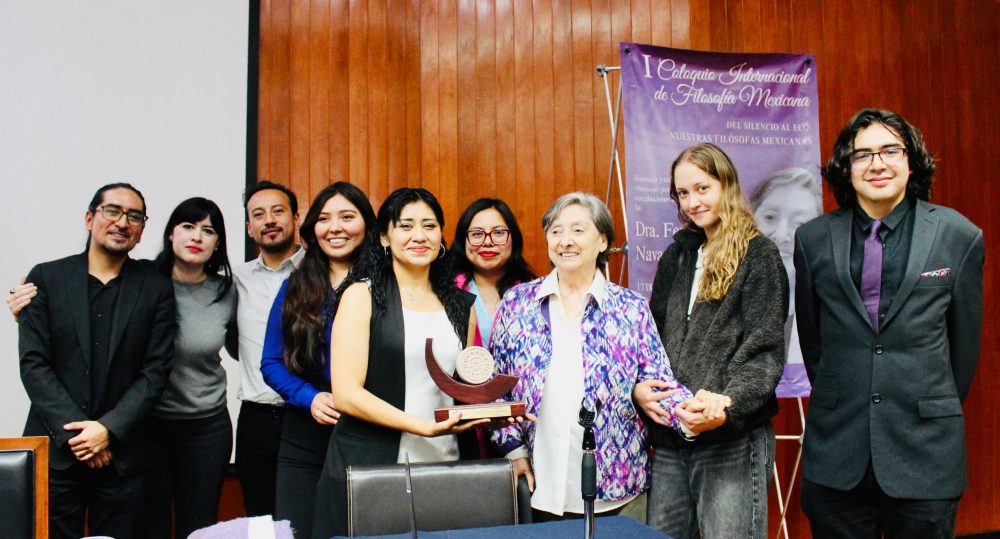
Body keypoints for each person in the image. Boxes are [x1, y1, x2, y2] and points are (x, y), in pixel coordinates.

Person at [795, 109, 984, 537]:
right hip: (837, 455)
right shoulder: (813, 240)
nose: (876, 164)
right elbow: (813, 342)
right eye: (862, 155)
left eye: (890, 151)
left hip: (925, 455)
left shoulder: (958, 236)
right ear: (847, 168)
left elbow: (963, 350)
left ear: (910, 161)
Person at [489, 192, 712, 521]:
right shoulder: (517, 303)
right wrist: (513, 450)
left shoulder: (630, 308)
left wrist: (689, 414)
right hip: (539, 483)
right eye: (556, 231)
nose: (565, 240)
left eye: (578, 230)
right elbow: (496, 387)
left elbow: (659, 383)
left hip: (616, 489)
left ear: (603, 241)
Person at [312, 187, 491, 538]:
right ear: (384, 237)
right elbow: (346, 393)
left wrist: (495, 411)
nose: (419, 236)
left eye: (429, 225)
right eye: (406, 225)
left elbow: (462, 388)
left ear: (441, 236)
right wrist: (420, 426)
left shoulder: (461, 306)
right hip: (372, 466)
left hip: (446, 461)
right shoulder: (361, 295)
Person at [641, 144, 788, 539]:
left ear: (726, 185)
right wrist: (644, 391)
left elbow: (765, 351)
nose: (692, 202)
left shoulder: (759, 256)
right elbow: (651, 341)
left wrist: (726, 404)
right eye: (683, 193)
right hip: (673, 440)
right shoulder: (676, 257)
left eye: (702, 188)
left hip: (731, 441)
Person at [18, 183, 176, 539]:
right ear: (90, 218)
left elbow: (155, 372)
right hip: (56, 453)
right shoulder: (47, 278)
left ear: (141, 230)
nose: (122, 222)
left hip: (123, 455)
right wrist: (80, 435)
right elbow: (34, 364)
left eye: (134, 217)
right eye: (112, 211)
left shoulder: (156, 288)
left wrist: (107, 430)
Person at [260, 182, 376, 539]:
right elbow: (270, 362)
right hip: (304, 433)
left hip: (369, 432)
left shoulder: (387, 285)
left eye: (347, 217)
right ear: (313, 228)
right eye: (324, 219)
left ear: (367, 225)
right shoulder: (295, 286)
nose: (335, 228)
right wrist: (308, 397)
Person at [136, 197, 238, 538]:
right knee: (150, 526)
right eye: (188, 226)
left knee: (198, 528)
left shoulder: (226, 291)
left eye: (208, 231)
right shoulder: (142, 282)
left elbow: (243, 347)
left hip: (206, 428)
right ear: (171, 234)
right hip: (149, 425)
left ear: (217, 242)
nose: (197, 236)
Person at [232, 181, 305, 516]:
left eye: (278, 211)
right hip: (256, 419)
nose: (269, 220)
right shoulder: (236, 279)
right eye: (258, 215)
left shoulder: (319, 272)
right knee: (261, 519)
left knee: (306, 519)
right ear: (250, 228)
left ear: (296, 218)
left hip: (307, 415)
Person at [448, 198, 535, 346]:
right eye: (477, 234)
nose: (488, 242)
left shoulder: (534, 292)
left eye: (498, 232)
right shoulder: (445, 289)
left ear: (514, 238)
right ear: (463, 241)